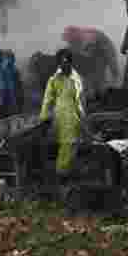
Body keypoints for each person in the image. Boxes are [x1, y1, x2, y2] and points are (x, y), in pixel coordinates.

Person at [39, 49, 86, 183]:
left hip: (73, 116)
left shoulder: (76, 79)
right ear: (58, 63)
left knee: (71, 145)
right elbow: (47, 100)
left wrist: (83, 117)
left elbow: (81, 99)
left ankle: (64, 174)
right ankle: (61, 174)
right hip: (59, 116)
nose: (64, 65)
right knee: (65, 145)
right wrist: (44, 118)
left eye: (66, 61)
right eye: (61, 62)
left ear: (71, 62)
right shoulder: (54, 79)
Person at [61, 26, 123, 99]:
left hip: (103, 51)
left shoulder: (88, 37)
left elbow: (90, 58)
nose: (69, 42)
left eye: (70, 40)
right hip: (94, 55)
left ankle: (107, 93)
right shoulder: (75, 41)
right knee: (91, 78)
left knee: (100, 77)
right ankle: (94, 96)